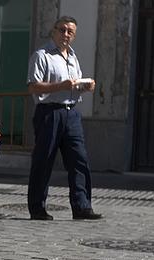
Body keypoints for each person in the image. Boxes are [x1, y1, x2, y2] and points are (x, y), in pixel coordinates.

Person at [26, 16, 103, 221]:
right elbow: (33, 86)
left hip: (71, 114)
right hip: (49, 113)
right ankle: (37, 207)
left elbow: (72, 85)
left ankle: (82, 206)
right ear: (54, 31)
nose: (66, 35)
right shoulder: (42, 55)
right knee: (44, 161)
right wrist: (60, 86)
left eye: (70, 32)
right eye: (63, 30)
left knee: (79, 160)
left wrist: (84, 87)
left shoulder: (73, 57)